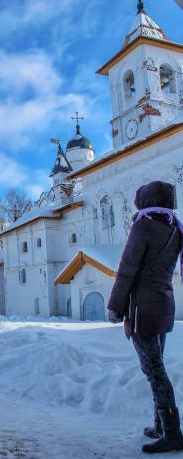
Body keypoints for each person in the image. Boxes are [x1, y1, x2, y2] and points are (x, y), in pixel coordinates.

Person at [108, 181, 183, 454]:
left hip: (142, 308)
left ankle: (172, 432)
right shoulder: (175, 227)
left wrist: (115, 306)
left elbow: (127, 268)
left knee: (154, 371)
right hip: (163, 304)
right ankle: (161, 425)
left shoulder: (143, 225)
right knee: (157, 365)